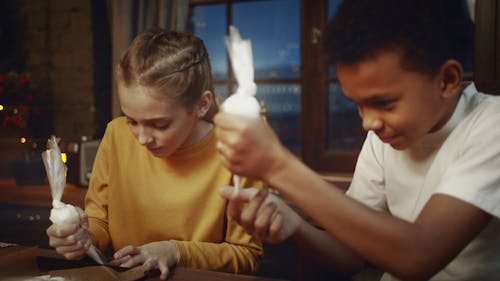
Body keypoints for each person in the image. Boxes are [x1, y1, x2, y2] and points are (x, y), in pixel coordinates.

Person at [214, 0, 500, 280]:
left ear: (447, 80)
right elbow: (349, 257)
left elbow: (419, 255)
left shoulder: (491, 125)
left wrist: (277, 165)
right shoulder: (384, 138)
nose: (368, 123)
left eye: (385, 104)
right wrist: (296, 225)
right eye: (358, 105)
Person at [46, 29, 263, 280]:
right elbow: (99, 221)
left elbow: (246, 255)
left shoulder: (238, 156)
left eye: (159, 125)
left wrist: (175, 251)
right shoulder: (116, 135)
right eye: (132, 121)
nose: (141, 138)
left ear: (202, 105)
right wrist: (81, 237)